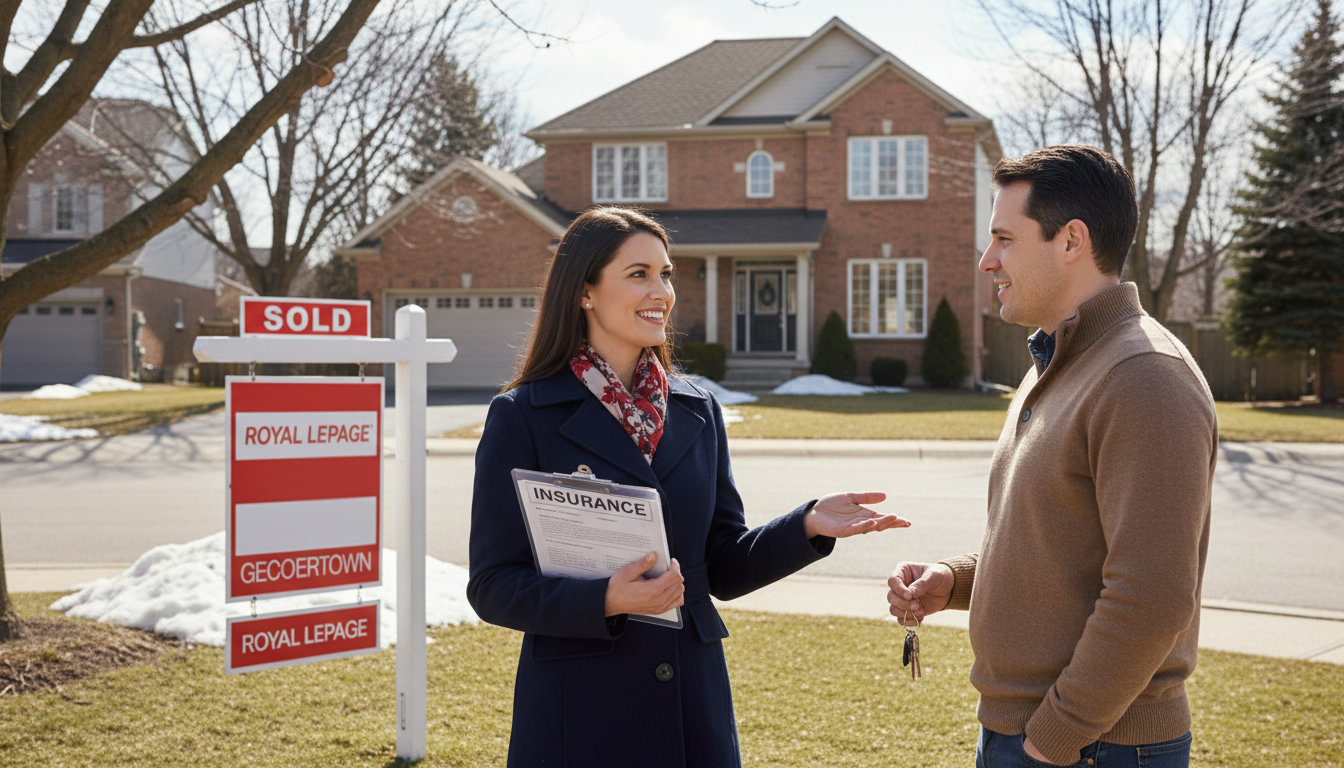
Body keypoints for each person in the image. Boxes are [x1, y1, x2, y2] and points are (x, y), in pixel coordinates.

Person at [468, 206, 909, 768]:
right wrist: (607, 599)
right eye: (639, 274)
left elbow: (721, 565)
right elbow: (493, 585)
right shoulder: (522, 415)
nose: (662, 291)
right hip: (581, 711)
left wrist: (806, 526)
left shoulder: (697, 407)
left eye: (666, 273)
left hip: (691, 703)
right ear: (584, 292)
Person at [886, 145, 1217, 768]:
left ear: (1071, 240)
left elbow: (1153, 594)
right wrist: (955, 581)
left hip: (1093, 746)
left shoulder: (1144, 375)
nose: (988, 261)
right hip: (1039, 735)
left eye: (1005, 239)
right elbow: (1059, 545)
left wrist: (1053, 739)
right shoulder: (1058, 366)